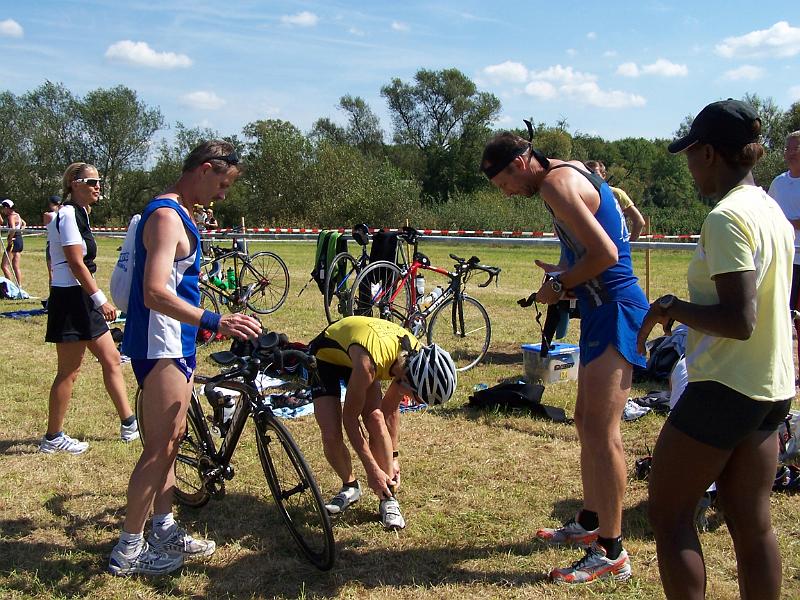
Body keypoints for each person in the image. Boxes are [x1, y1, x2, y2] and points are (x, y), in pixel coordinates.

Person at [638, 99, 794, 600]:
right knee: (751, 521)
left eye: (689, 154)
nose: (688, 167)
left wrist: (672, 307)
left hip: (725, 385)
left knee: (668, 512)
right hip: (771, 389)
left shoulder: (726, 219)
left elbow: (739, 319)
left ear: (708, 153)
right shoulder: (771, 209)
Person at [481, 124, 648, 583]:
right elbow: (590, 249)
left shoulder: (555, 183)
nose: (509, 193)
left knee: (603, 428)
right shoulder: (565, 173)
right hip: (598, 306)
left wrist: (559, 285)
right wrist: (566, 270)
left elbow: (608, 253)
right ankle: (592, 521)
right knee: (584, 420)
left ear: (519, 163)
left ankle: (611, 551)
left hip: (615, 306)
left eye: (505, 184)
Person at [109, 141, 261, 577]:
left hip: (177, 342)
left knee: (173, 442)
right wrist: (216, 320)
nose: (223, 195)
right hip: (162, 344)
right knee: (159, 449)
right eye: (223, 183)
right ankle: (129, 548)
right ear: (206, 169)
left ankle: (163, 525)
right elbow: (154, 291)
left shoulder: (178, 213)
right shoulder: (164, 216)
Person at [309, 315, 457, 530]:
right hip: (327, 358)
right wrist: (372, 470)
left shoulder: (414, 356)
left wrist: (393, 457)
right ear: (408, 382)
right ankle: (350, 486)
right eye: (418, 399)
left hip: (361, 348)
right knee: (331, 433)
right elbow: (350, 419)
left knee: (375, 418)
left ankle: (388, 498)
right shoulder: (370, 364)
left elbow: (389, 411)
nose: (416, 403)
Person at [41, 164, 138, 455]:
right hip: (71, 300)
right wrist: (100, 300)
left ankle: (129, 423)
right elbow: (75, 263)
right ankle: (53, 437)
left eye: (99, 181)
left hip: (81, 299)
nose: (98, 186)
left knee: (111, 359)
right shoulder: (69, 214)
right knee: (69, 372)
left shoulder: (81, 214)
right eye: (91, 181)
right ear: (73, 183)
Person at [768, 130, 800, 376]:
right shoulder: (778, 183)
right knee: (779, 316)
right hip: (783, 260)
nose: (790, 152)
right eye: (788, 148)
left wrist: (787, 222)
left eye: (795, 147)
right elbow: (767, 215)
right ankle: (780, 369)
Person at [585, 160, 646, 242]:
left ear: (603, 175)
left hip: (615, 247)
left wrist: (629, 245)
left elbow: (639, 221)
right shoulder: (580, 196)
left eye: (595, 175)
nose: (591, 179)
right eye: (587, 175)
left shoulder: (616, 194)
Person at [1, 198, 27, 286]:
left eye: (3, 208)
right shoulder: (17, 215)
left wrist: (9, 238)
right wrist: (20, 231)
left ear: (7, 208)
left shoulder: (11, 216)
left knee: (4, 265)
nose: (2, 210)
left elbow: (12, 228)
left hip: (13, 241)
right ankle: (19, 286)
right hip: (19, 240)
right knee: (16, 266)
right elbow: (24, 223)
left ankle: (10, 287)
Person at [43, 195, 61, 290]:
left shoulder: (48, 215)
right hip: (62, 243)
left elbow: (46, 223)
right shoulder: (63, 214)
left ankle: (52, 297)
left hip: (51, 243)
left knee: (51, 273)